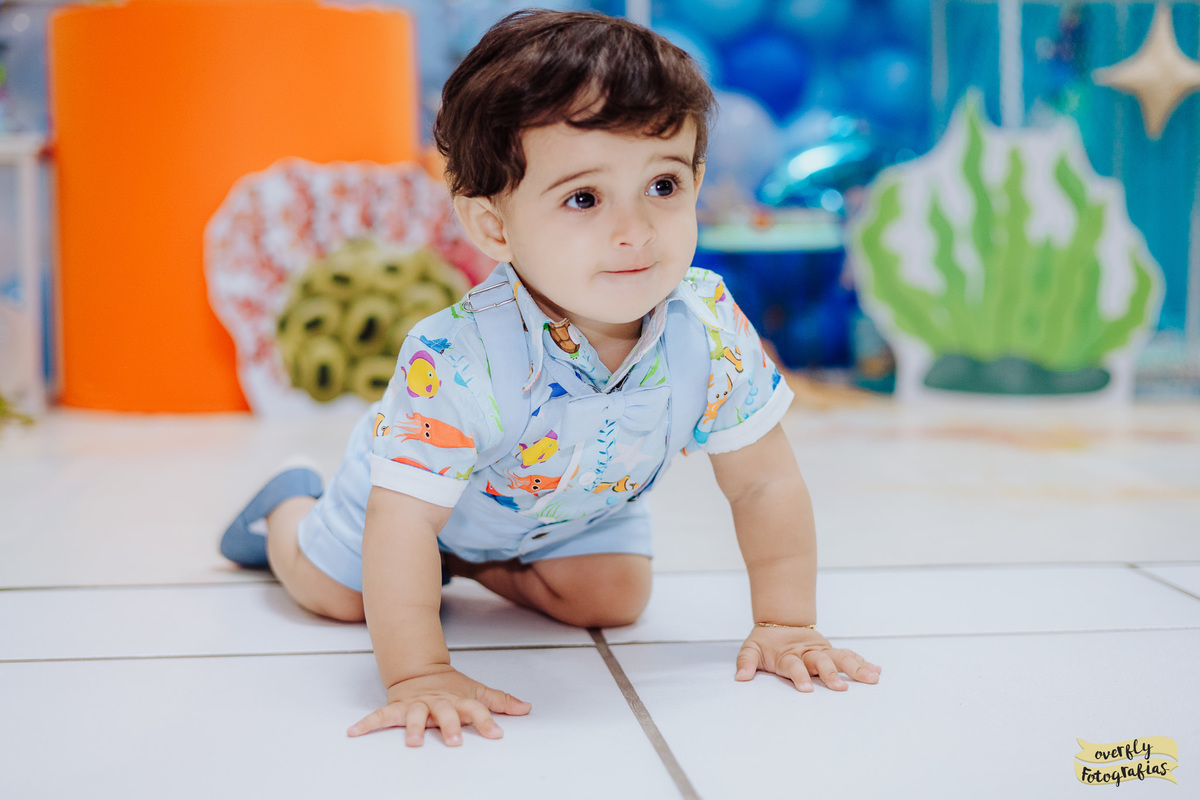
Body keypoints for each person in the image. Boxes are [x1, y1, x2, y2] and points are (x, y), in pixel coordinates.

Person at [220, 8, 880, 748]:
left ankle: (469, 561)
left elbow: (764, 483)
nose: (635, 230)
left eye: (662, 186)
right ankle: (286, 507)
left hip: (568, 510)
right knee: (336, 592)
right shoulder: (458, 355)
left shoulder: (709, 326)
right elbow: (402, 520)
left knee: (615, 598)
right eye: (584, 199)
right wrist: (419, 674)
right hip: (410, 499)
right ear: (495, 229)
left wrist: (786, 621)